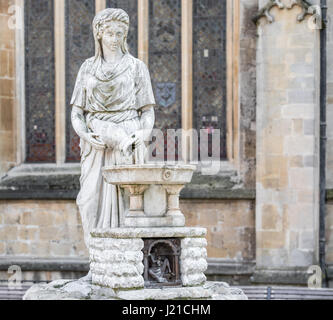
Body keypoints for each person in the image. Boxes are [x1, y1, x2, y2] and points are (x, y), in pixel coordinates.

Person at [70, 8, 156, 254]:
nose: (115, 38)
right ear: (99, 34)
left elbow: (147, 111)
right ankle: (98, 262)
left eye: (120, 33)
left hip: (128, 138)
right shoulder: (88, 68)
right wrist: (86, 135)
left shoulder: (137, 67)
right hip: (96, 144)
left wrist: (144, 132)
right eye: (110, 33)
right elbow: (77, 114)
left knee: (130, 203)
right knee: (88, 201)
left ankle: (128, 262)